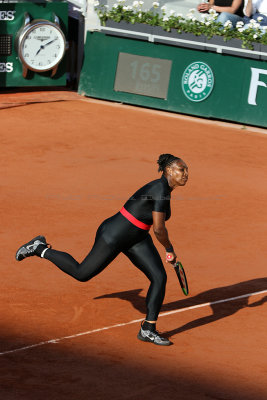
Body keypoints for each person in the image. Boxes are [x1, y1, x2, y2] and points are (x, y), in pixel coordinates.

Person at [15, 154, 189, 347]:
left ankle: (148, 329)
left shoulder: (165, 190)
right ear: (168, 171)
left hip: (137, 238)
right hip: (113, 235)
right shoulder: (159, 188)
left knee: (159, 277)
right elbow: (158, 228)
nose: (186, 174)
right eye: (181, 169)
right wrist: (169, 249)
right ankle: (39, 248)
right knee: (81, 273)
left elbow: (153, 225)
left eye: (186, 170)